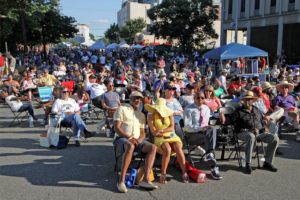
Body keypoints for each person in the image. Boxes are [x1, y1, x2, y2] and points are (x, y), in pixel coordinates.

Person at [113, 91, 158, 193]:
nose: (137, 100)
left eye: (139, 98)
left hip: (137, 140)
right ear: (130, 98)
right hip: (122, 138)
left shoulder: (141, 115)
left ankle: (145, 179)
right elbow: (117, 128)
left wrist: (139, 140)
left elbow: (143, 133)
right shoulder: (122, 109)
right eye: (135, 98)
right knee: (130, 146)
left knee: (153, 147)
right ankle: (121, 181)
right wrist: (129, 137)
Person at [234, 91, 279, 174]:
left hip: (258, 133)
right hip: (243, 133)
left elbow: (262, 121)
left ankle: (267, 162)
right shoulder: (238, 111)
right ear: (243, 100)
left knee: (274, 138)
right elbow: (235, 127)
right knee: (251, 136)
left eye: (250, 99)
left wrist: (265, 127)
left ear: (253, 100)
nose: (248, 101)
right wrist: (248, 130)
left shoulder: (256, 110)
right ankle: (248, 163)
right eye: (246, 99)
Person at [146, 98, 189, 184]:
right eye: (158, 109)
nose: (159, 110)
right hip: (159, 138)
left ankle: (184, 172)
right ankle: (163, 173)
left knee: (177, 146)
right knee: (167, 148)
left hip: (171, 135)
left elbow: (172, 127)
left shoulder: (169, 114)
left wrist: (161, 131)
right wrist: (162, 132)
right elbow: (154, 132)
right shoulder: (151, 116)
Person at [184, 91, 223, 180]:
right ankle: (211, 159)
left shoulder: (206, 108)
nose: (200, 99)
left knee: (213, 129)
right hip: (192, 135)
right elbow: (187, 127)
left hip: (205, 134)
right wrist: (201, 128)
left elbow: (212, 116)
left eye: (202, 98)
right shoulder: (188, 109)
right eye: (198, 98)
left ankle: (212, 162)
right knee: (210, 133)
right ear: (194, 98)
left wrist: (220, 114)